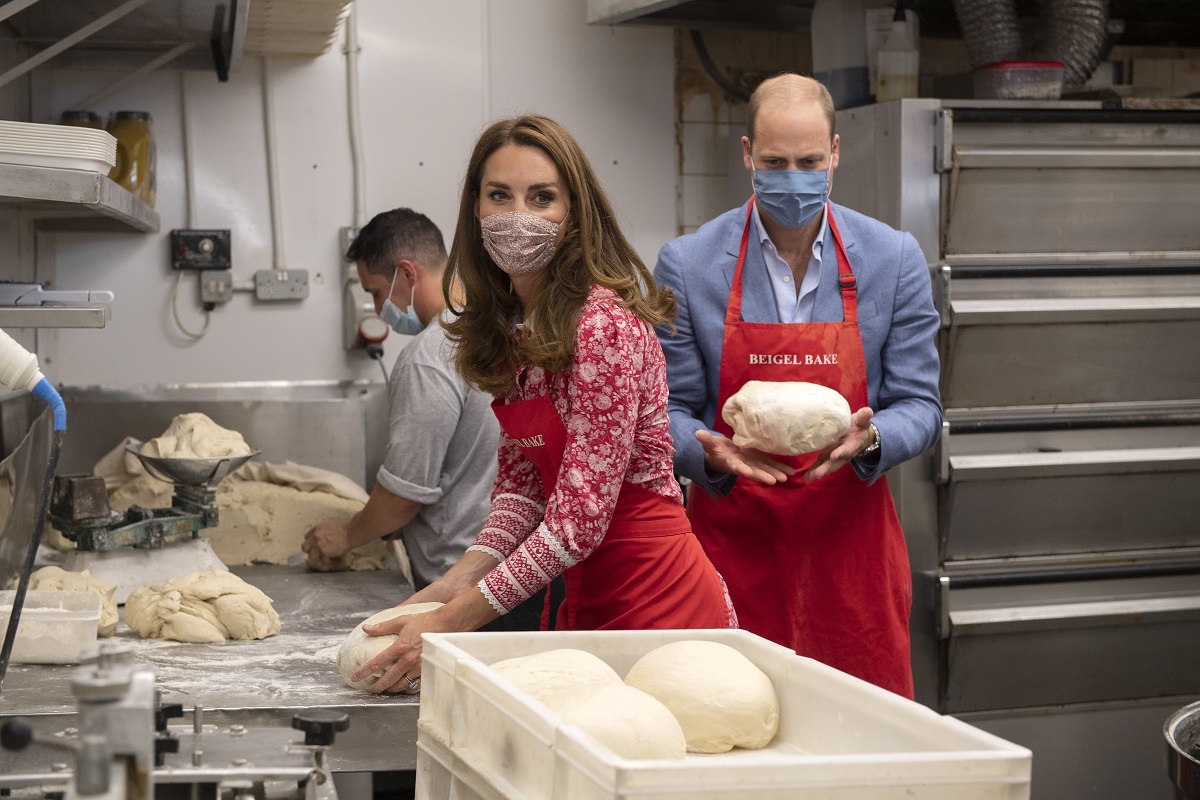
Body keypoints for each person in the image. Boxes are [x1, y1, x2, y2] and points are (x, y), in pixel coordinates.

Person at [348, 115, 737, 694]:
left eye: (542, 198)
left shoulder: (603, 326)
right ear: (475, 210)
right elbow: (521, 492)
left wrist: (453, 623)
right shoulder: (514, 332)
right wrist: (445, 589)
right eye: (499, 196)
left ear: (573, 214)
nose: (517, 215)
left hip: (661, 601)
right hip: (586, 594)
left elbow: (578, 523)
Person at [652, 73, 943, 699]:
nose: (793, 176)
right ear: (747, 154)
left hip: (852, 557)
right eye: (776, 161)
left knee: (859, 749)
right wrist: (706, 450)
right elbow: (669, 408)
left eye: (809, 161)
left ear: (835, 153)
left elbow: (921, 404)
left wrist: (871, 441)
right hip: (732, 552)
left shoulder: (892, 260)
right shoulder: (689, 264)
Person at [301, 208, 544, 630]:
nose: (379, 309)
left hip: (465, 587)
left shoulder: (431, 354)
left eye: (376, 292)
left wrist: (346, 535)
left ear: (407, 274)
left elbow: (402, 497)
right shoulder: (504, 326)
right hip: (527, 573)